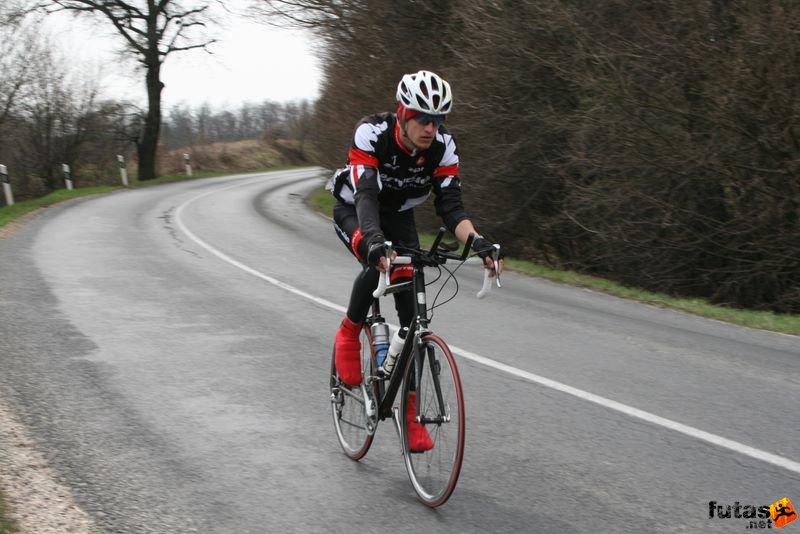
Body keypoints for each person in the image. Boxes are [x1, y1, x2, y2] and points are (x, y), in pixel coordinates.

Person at [330, 70, 503, 451]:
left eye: (438, 119)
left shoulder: (443, 147)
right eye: (423, 118)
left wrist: (478, 243)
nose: (430, 127)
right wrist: (375, 243)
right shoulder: (372, 133)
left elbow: (451, 208)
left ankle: (410, 415)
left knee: (412, 321)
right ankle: (349, 330)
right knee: (373, 257)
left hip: (400, 217)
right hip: (357, 208)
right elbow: (367, 196)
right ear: (403, 113)